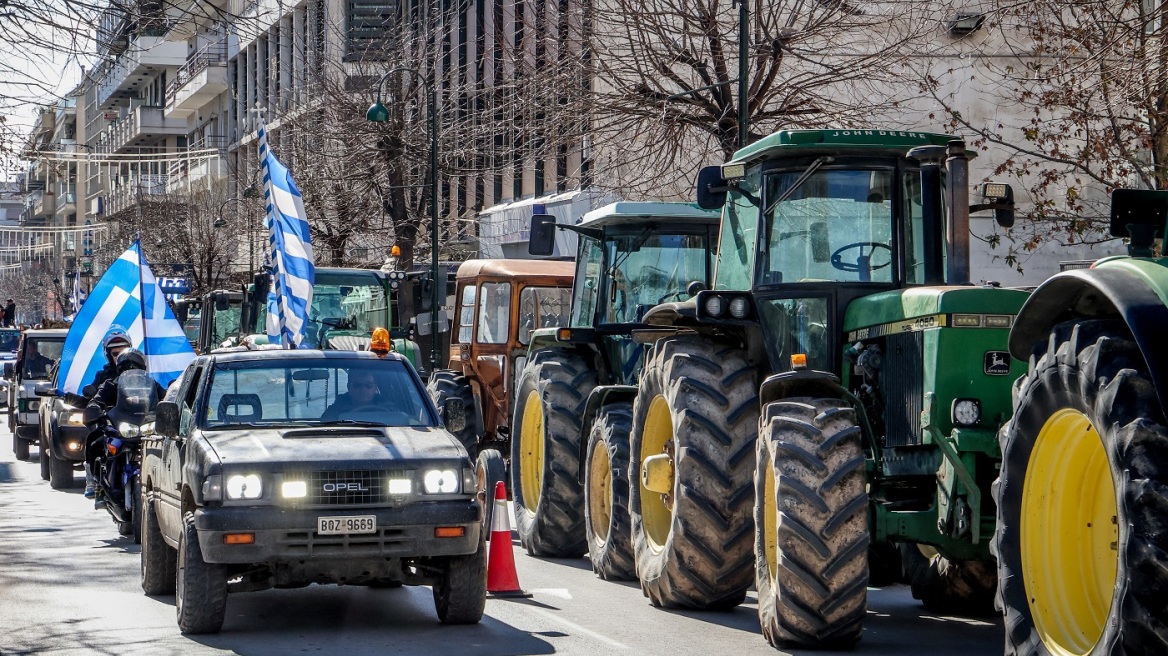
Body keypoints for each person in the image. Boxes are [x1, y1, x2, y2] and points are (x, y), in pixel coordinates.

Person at [82, 329, 133, 499]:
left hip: (137, 422)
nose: (120, 357)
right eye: (116, 353)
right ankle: (94, 482)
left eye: (124, 352)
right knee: (95, 441)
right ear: (108, 355)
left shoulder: (142, 375)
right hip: (113, 422)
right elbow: (94, 398)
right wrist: (93, 407)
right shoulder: (105, 378)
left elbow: (156, 394)